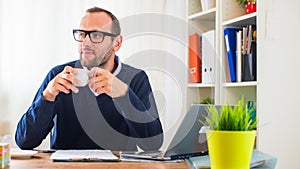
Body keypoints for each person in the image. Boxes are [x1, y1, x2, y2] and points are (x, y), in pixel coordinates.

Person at [15, 7, 163, 151]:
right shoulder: (59, 75)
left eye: (97, 35)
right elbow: (24, 141)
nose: (85, 42)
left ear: (116, 43)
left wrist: (124, 94)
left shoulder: (136, 78)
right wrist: (47, 96)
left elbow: (153, 144)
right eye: (81, 34)